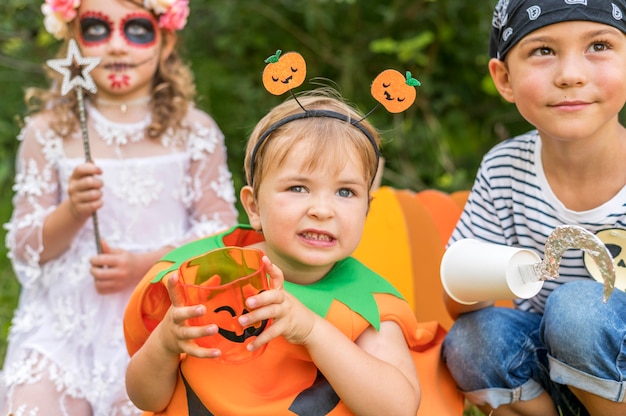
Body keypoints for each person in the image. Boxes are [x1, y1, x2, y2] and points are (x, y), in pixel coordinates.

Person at [123, 88, 426, 415]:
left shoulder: (366, 304)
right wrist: (166, 343)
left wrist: (311, 330)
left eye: (345, 192)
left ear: (366, 210)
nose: (322, 210)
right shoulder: (207, 278)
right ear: (254, 207)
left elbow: (398, 409)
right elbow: (147, 399)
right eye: (298, 188)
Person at [0, 0, 238, 415]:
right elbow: (25, 246)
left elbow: (220, 236)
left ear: (165, 42)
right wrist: (72, 212)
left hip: (155, 324)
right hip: (63, 325)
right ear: (73, 38)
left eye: (136, 30)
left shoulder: (195, 131)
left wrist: (140, 265)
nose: (115, 47)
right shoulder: (47, 132)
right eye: (95, 29)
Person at [441, 1, 626, 415]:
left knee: (576, 308)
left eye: (598, 45)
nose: (570, 75)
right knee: (473, 337)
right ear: (504, 79)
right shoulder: (505, 168)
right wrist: (486, 274)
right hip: (554, 374)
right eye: (543, 51)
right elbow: (458, 303)